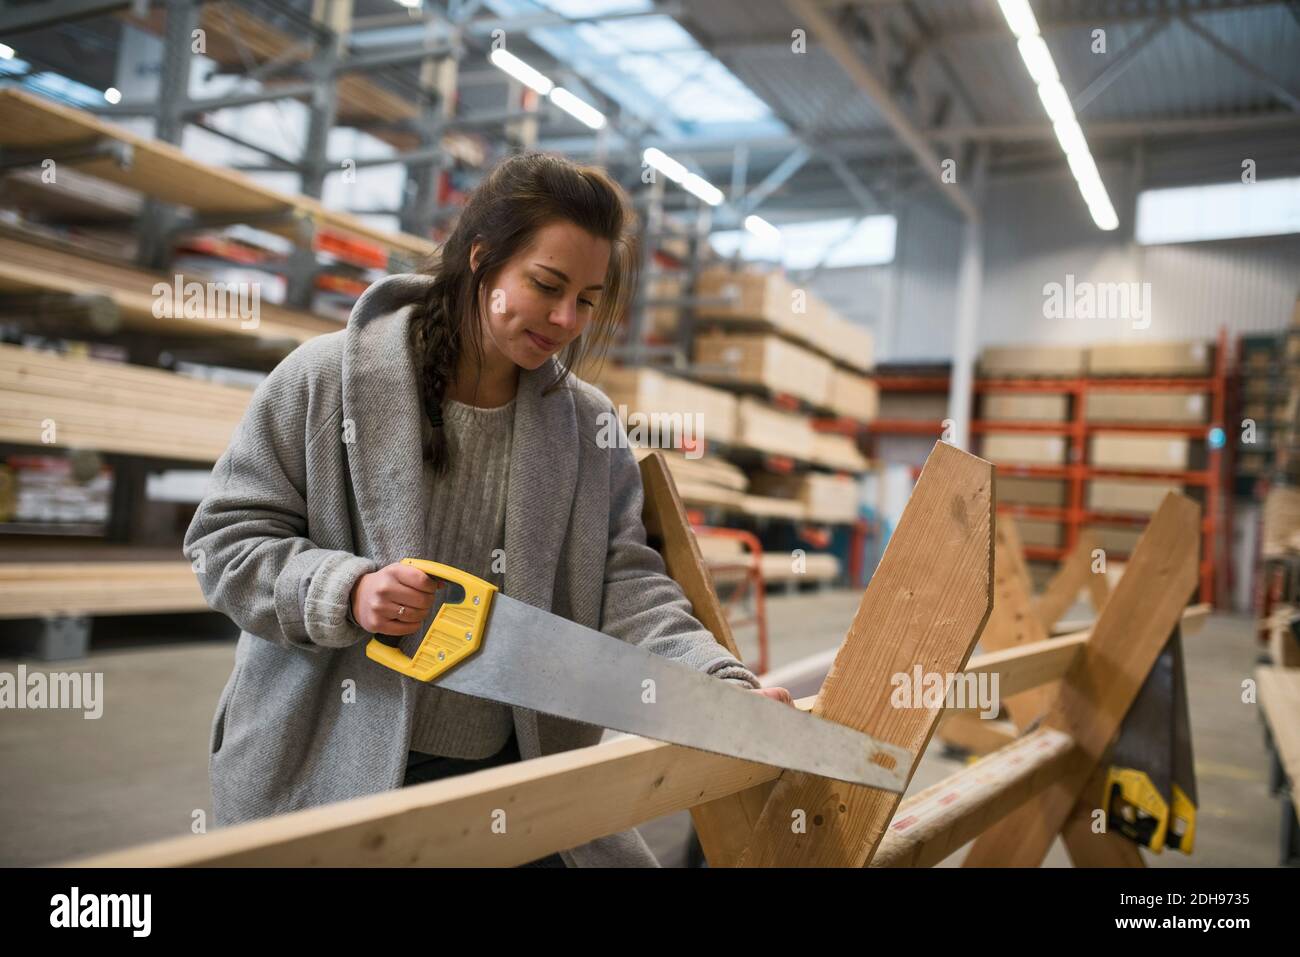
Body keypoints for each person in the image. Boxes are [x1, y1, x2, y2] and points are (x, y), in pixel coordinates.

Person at [185, 151, 793, 868]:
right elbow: (225, 542)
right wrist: (344, 589)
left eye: (588, 299)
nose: (567, 318)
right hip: (331, 768)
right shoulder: (326, 381)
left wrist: (722, 690)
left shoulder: (587, 429)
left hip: (509, 776)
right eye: (546, 285)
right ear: (481, 260)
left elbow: (628, 589)